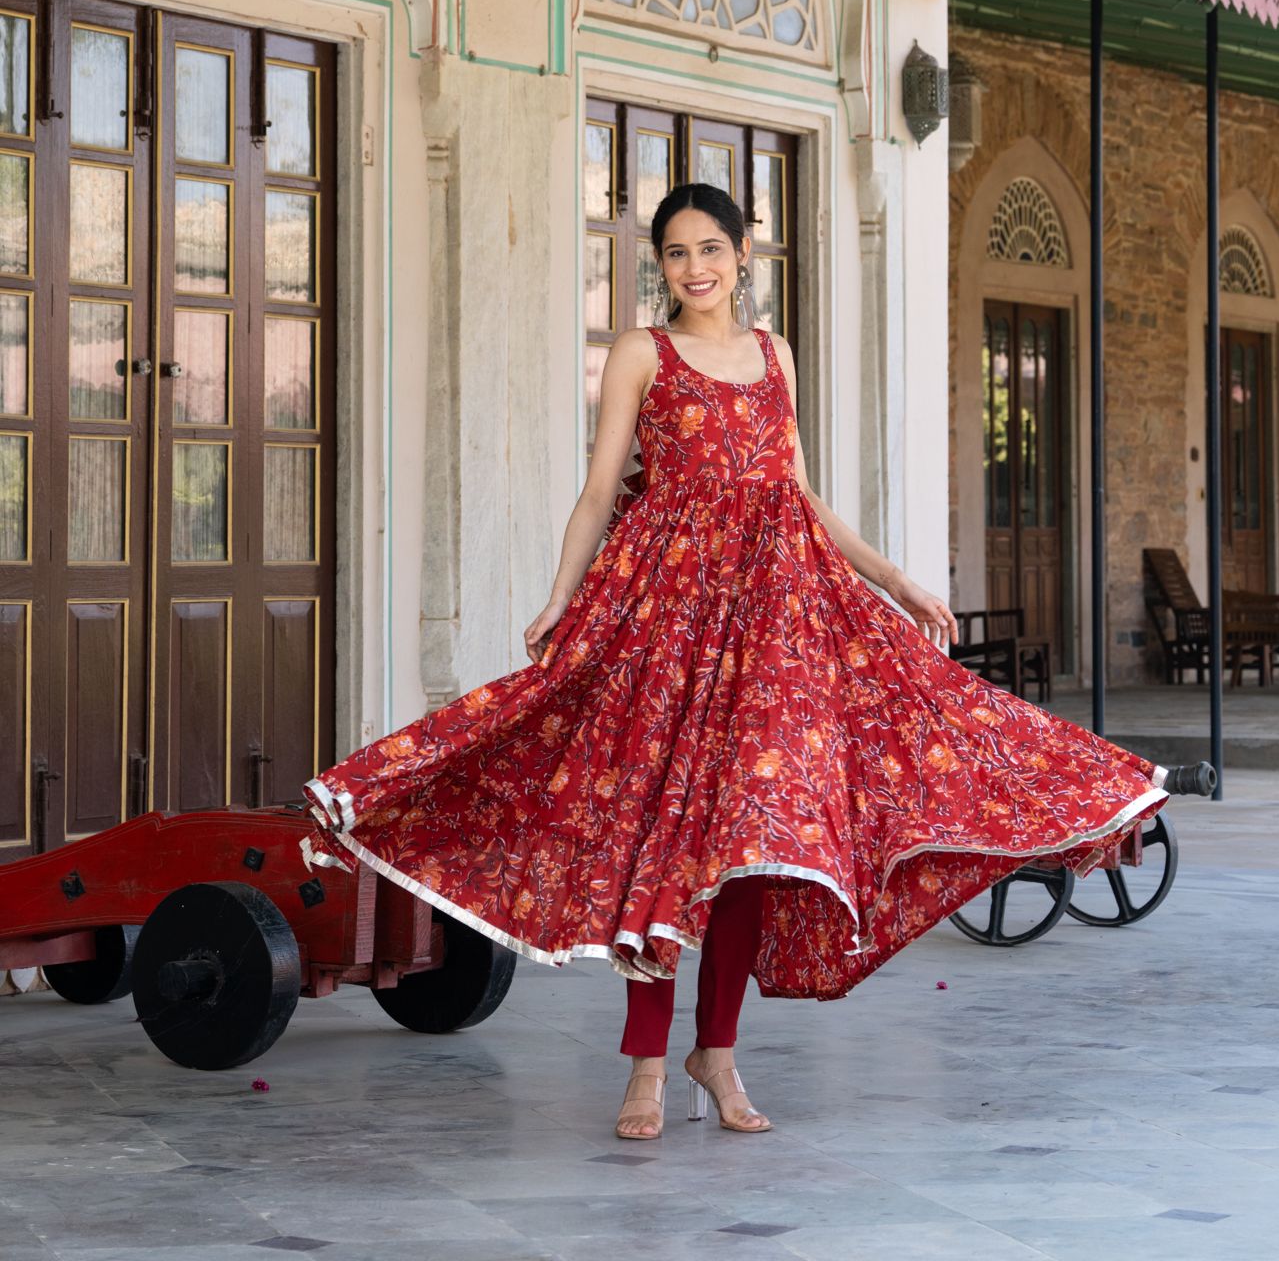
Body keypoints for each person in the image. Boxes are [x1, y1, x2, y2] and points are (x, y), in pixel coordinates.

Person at [305, 182, 1173, 1142]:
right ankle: (643, 1066)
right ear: (661, 267)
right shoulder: (642, 353)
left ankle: (714, 1054)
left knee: (751, 850)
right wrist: (560, 592)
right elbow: (600, 491)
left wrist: (894, 580)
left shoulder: (774, 357)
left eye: (709, 248)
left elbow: (796, 494)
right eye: (675, 254)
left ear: (743, 254)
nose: (694, 268)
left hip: (776, 632)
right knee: (667, 839)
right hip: (669, 623)